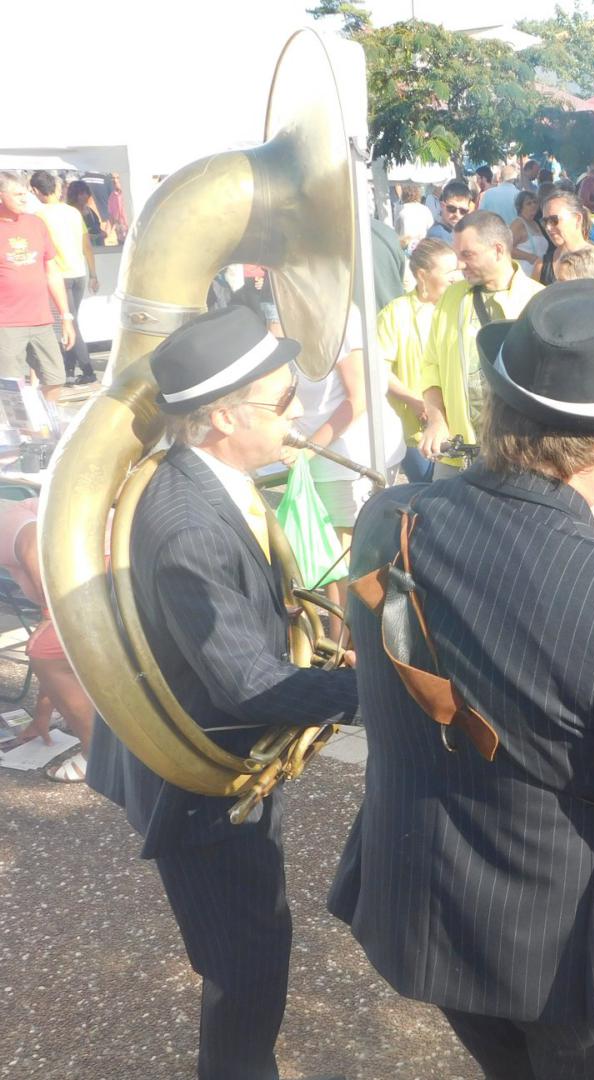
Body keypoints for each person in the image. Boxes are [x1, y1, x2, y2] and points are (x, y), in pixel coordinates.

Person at [331, 279, 594, 1078]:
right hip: (570, 959)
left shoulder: (387, 515)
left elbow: (498, 607)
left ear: (498, 412)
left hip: (429, 905)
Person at [87, 306, 360, 1080]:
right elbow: (248, 684)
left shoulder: (208, 478)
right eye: (280, 401)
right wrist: (372, 690)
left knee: (248, 953)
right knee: (247, 967)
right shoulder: (189, 526)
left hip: (212, 758)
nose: (297, 413)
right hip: (203, 786)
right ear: (219, 416)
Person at [418, 210, 545, 479]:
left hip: (523, 461)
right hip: (458, 458)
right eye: (458, 256)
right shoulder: (452, 298)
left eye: (468, 255)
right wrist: (437, 420)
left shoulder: (537, 302)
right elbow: (431, 366)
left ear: (498, 250)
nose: (460, 265)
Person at [0, 496, 97, 781]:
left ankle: (98, 757)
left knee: (44, 650)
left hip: (102, 572)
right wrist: (42, 715)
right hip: (99, 572)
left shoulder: (5, 519)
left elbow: (33, 545)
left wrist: (49, 614)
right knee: (51, 650)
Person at [295, 305, 406, 535]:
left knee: (345, 553)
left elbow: (362, 397)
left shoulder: (340, 318)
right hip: (316, 460)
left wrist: (307, 450)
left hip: (347, 462)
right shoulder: (292, 311)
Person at [376, 238, 462, 484]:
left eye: (457, 270)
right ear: (422, 276)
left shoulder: (460, 305)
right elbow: (378, 369)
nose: (456, 277)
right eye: (448, 272)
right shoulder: (396, 313)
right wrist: (414, 402)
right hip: (417, 430)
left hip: (459, 426)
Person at [0, 171, 72, 405]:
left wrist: (66, 317)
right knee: (11, 387)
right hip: (7, 322)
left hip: (41, 319)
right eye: (17, 194)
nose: (24, 199)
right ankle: (15, 434)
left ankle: (42, 420)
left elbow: (52, 272)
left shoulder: (36, 223)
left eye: (25, 194)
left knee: (56, 377)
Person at [29, 171, 97, 384]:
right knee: (70, 321)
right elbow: (86, 245)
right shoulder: (73, 212)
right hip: (79, 273)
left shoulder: (38, 216)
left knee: (69, 323)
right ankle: (69, 368)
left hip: (60, 275)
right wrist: (94, 273)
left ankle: (87, 370)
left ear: (36, 191)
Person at [539, 190, 594, 287]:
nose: (548, 227)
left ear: (577, 219)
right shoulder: (541, 266)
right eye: (545, 221)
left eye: (554, 220)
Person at [510, 190, 547, 279]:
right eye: (528, 203)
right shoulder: (518, 223)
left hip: (539, 272)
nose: (533, 205)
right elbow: (507, 248)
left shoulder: (536, 223)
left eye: (535, 202)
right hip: (524, 273)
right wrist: (529, 257)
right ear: (520, 207)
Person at [66, 180, 111, 246]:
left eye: (86, 193)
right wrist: (91, 236)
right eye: (82, 194)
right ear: (74, 195)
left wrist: (102, 233)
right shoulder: (68, 213)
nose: (85, 196)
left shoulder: (90, 212)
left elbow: (97, 228)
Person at [396, 182, 434, 252]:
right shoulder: (425, 209)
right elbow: (431, 228)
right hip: (422, 245)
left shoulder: (401, 209)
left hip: (405, 246)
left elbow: (397, 230)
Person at [106, 172, 129, 243]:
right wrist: (106, 233)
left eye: (118, 178)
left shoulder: (130, 194)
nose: (115, 181)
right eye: (113, 178)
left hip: (133, 234)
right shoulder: (111, 197)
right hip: (121, 236)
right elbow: (111, 218)